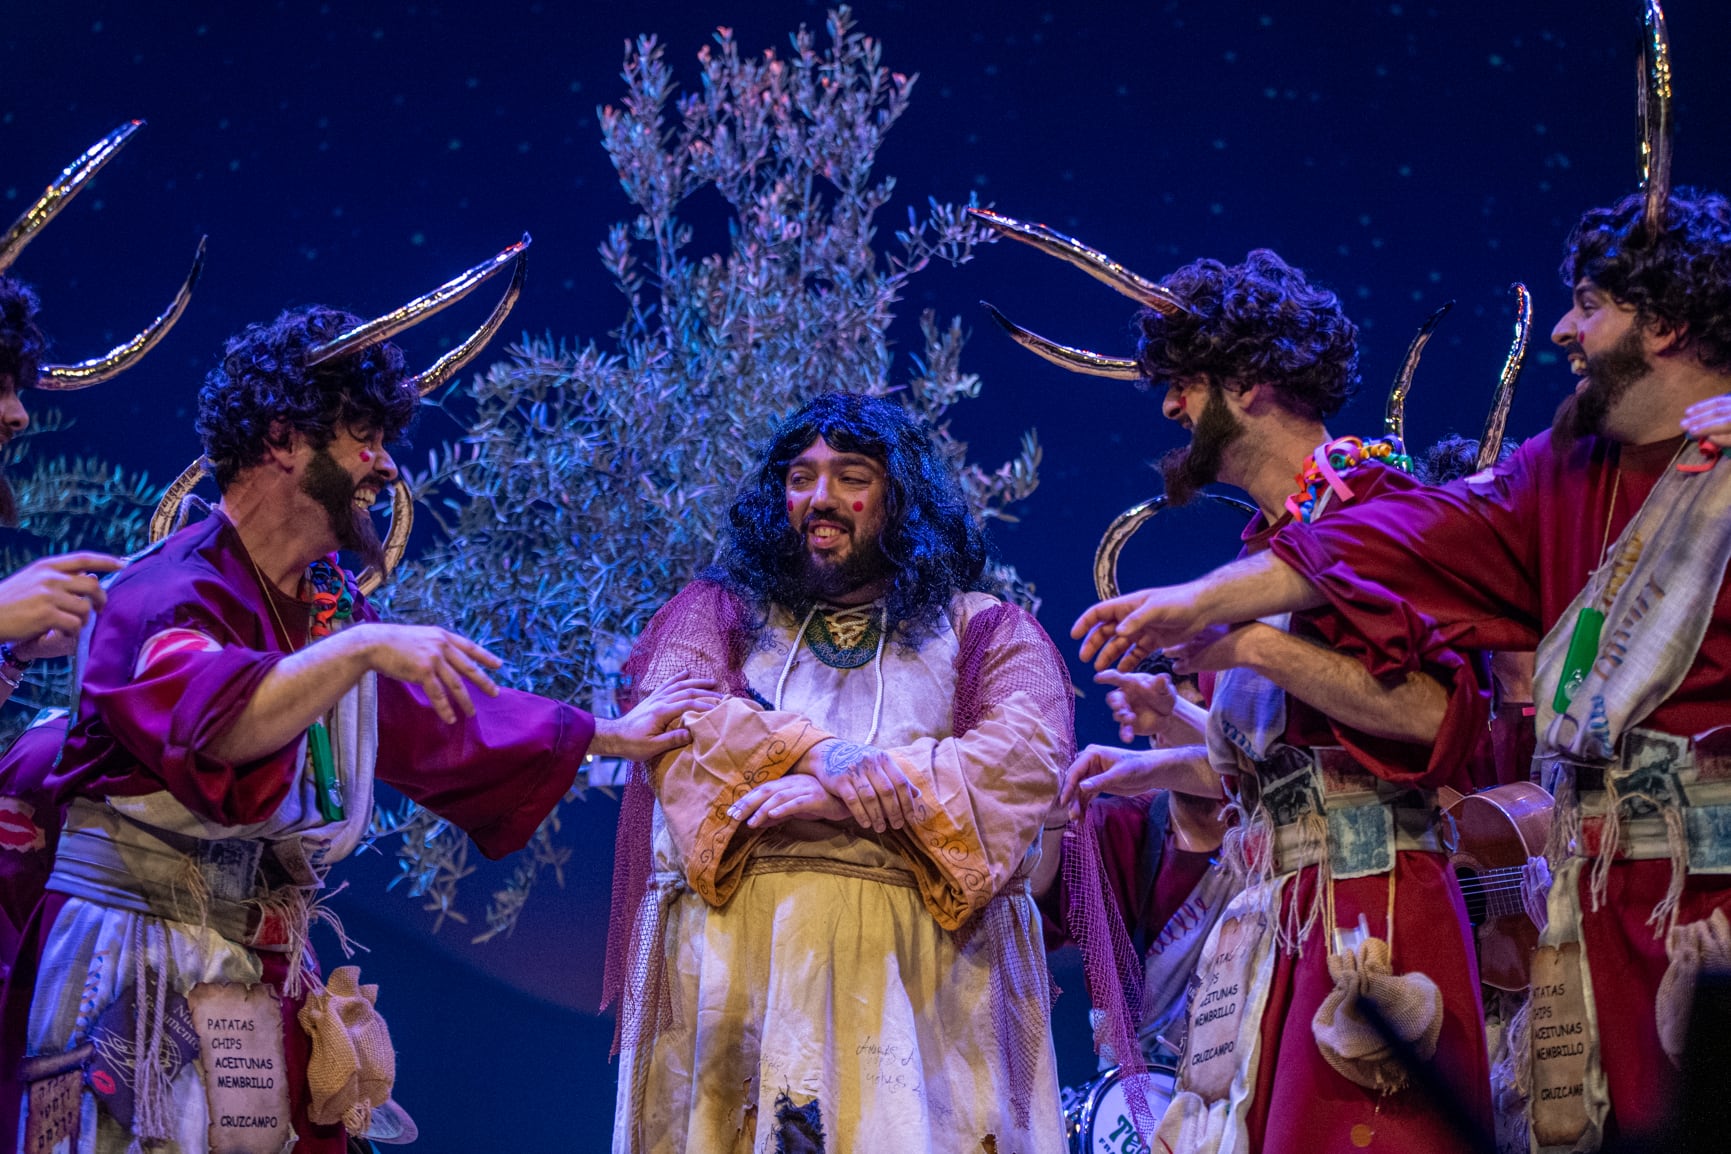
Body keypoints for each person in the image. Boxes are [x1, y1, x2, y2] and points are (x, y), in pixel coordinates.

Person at [1070, 187, 1731, 1148]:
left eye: (1588, 303)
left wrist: (1235, 630)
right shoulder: (1557, 475)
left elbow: (1438, 719)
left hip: (1651, 893)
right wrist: (1204, 630)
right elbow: (1410, 534)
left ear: (1665, 324)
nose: (1562, 330)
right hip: (1581, 906)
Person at [5, 289, 715, 1154]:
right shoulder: (166, 593)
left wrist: (612, 734)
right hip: (139, 960)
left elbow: (445, 723)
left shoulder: (326, 615)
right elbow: (216, 726)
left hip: (252, 965)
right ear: (281, 440)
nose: (384, 467)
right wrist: (358, 655)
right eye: (362, 438)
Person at [1023, 248, 1491, 1151]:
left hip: (1372, 915)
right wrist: (1153, 762)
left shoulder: (1375, 509)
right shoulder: (1272, 542)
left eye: (1186, 382)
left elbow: (1436, 720)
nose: (1169, 407)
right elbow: (1304, 762)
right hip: (1284, 914)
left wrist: (1249, 644)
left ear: (1251, 382)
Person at [604, 391, 1075, 1152]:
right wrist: (826, 756)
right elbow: (678, 724)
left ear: (901, 497)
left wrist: (835, 799)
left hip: (916, 991)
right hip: (738, 981)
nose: (819, 498)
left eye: (851, 476)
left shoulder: (985, 631)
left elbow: (1021, 760)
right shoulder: (716, 617)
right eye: (800, 478)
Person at [1033, 659, 1234, 1074]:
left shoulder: (1274, 827)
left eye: (1201, 718)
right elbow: (1037, 902)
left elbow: (1245, 765)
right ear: (1152, 736)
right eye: (1170, 719)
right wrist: (1051, 817)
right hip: (1138, 1090)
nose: (1178, 735)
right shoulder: (1120, 824)